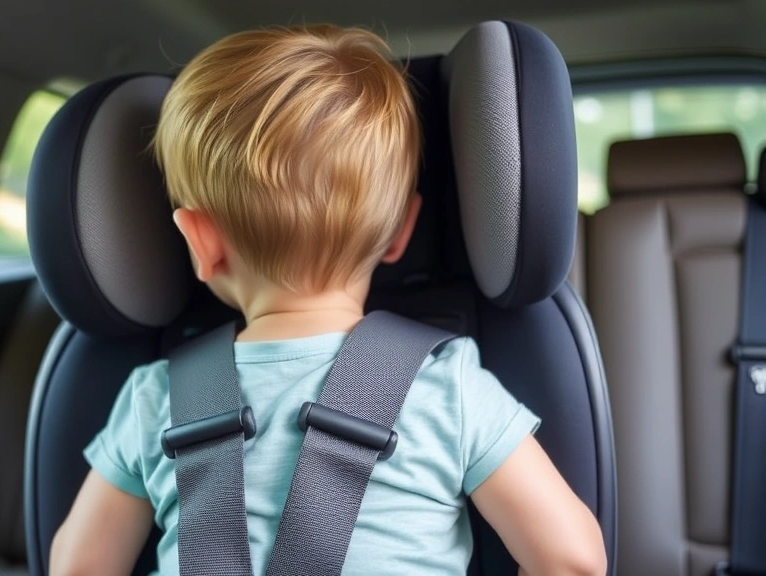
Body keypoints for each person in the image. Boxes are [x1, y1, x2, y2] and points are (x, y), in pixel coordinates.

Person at [50, 24, 606, 576]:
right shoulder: (448, 388)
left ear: (200, 241)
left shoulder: (157, 399)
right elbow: (574, 560)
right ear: (401, 232)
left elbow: (78, 568)